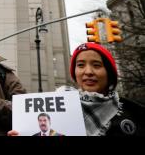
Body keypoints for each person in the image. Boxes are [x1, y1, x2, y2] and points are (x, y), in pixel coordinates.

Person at [8, 42, 145, 136]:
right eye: (80, 65)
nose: (88, 72)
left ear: (109, 72)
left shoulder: (133, 112)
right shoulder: (55, 109)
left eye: (96, 65)